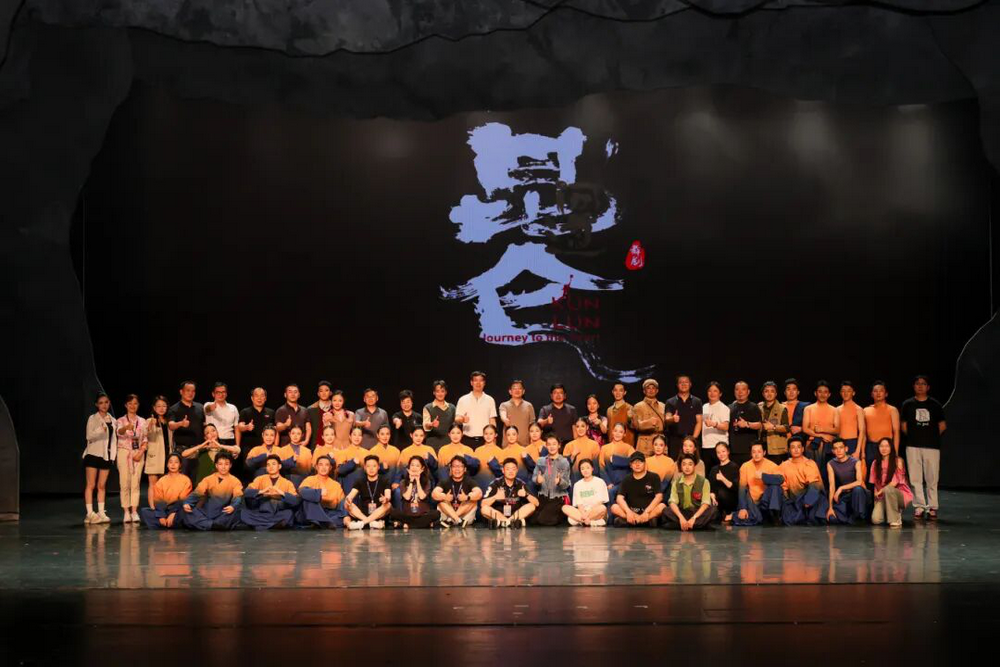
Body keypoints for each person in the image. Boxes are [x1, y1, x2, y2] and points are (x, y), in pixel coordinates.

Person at [901, 375, 946, 520]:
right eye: (917, 384)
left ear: (928, 387)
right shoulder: (907, 404)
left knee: (932, 477)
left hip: (932, 446)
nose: (920, 386)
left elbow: (942, 425)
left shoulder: (935, 405)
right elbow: (904, 425)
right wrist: (915, 436)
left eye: (923, 384)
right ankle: (919, 506)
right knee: (915, 478)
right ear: (914, 386)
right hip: (913, 446)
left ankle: (932, 506)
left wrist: (930, 436)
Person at [181, 451, 244, 531]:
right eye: (220, 464)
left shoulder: (235, 481)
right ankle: (213, 525)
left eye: (226, 464)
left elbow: (237, 497)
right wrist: (187, 503)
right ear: (216, 465)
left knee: (237, 511)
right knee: (185, 510)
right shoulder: (208, 479)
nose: (223, 467)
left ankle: (206, 524)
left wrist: (233, 506)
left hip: (224, 512)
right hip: (207, 512)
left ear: (230, 465)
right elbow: (197, 493)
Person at [83, 392, 117, 524]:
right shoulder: (93, 418)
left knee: (102, 485)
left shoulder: (113, 420)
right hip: (93, 454)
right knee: (91, 485)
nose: (104, 405)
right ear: (97, 405)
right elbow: (89, 436)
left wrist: (113, 455)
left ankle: (101, 512)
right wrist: (100, 430)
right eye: (101, 403)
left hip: (106, 455)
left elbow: (114, 439)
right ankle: (90, 513)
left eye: (106, 402)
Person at [241, 454, 300, 530]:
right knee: (244, 514)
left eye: (273, 464)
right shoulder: (260, 479)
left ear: (279, 466)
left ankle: (261, 525)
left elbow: (295, 500)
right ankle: (273, 525)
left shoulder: (287, 483)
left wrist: (281, 493)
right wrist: (261, 491)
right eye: (268, 465)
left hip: (277, 513)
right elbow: (246, 492)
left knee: (289, 514)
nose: (271, 467)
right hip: (261, 513)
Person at [733, 443, 784, 526]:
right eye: (754, 452)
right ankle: (737, 515)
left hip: (766, 501)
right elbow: (742, 488)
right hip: (753, 502)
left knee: (775, 487)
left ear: (764, 452)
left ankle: (774, 515)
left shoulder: (772, 465)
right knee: (753, 518)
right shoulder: (745, 466)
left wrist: (763, 476)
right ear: (751, 453)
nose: (756, 454)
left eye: (759, 452)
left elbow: (780, 479)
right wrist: (743, 508)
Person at [778, 440, 828, 526]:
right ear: (789, 450)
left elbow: (814, 484)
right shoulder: (784, 465)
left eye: (798, 447)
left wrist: (808, 500)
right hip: (793, 500)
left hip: (809, 497)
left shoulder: (809, 463)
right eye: (793, 447)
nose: (796, 450)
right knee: (789, 520)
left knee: (813, 519)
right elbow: (783, 485)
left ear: (803, 449)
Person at [115, 394, 147, 524]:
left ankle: (134, 511)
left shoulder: (142, 421)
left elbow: (145, 439)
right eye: (130, 403)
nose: (132, 406)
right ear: (126, 405)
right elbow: (119, 432)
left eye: (135, 403)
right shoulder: (120, 420)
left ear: (138, 405)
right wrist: (126, 427)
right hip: (124, 452)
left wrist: (141, 452)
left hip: (137, 453)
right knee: (124, 482)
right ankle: (126, 512)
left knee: (136, 483)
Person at [139, 452, 192, 530]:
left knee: (186, 512)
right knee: (145, 511)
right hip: (165, 510)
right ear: (167, 464)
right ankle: (168, 523)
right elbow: (158, 500)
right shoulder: (161, 481)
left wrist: (173, 513)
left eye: (176, 462)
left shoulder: (186, 480)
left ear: (180, 465)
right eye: (170, 462)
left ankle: (165, 524)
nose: (173, 465)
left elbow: (183, 499)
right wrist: (161, 516)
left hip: (178, 510)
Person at [611, 452, 665, 527]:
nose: (637, 464)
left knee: (662, 506)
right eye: (634, 462)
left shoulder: (654, 477)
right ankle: (640, 521)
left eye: (640, 462)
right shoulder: (626, 479)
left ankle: (634, 521)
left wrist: (646, 512)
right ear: (630, 465)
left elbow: (659, 497)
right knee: (614, 507)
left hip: (649, 512)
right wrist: (628, 512)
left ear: (645, 463)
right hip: (632, 512)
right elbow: (619, 498)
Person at [664, 454, 716, 531]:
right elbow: (672, 502)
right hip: (683, 512)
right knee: (666, 510)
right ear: (681, 467)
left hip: (697, 512)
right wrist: (681, 518)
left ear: (694, 466)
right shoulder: (676, 483)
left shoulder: (704, 481)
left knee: (713, 510)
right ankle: (698, 525)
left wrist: (694, 518)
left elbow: (705, 503)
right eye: (684, 464)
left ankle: (683, 525)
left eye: (690, 464)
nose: (687, 467)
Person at [481, 458, 538, 528]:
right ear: (503, 470)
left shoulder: (521, 484)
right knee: (484, 509)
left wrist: (526, 495)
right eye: (508, 469)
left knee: (531, 506)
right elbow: (483, 504)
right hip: (499, 515)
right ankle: (509, 523)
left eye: (513, 469)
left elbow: (536, 503)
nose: (511, 471)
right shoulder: (495, 483)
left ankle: (505, 523)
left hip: (515, 515)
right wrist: (495, 497)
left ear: (517, 470)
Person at [869, 437, 913, 527]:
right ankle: (890, 511)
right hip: (883, 496)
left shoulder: (898, 461)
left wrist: (880, 492)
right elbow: (875, 484)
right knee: (876, 519)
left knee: (888, 489)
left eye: (887, 446)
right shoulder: (875, 463)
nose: (884, 449)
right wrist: (876, 499)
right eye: (881, 446)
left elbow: (894, 483)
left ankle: (895, 518)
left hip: (899, 494)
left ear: (891, 448)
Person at [432, 456, 483, 528]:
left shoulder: (470, 481)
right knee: (441, 501)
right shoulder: (444, 482)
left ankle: (451, 520)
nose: (457, 469)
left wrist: (467, 497)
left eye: (460, 466)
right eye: (454, 466)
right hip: (449, 515)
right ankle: (458, 520)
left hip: (464, 517)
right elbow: (434, 494)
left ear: (465, 469)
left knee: (472, 501)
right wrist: (445, 497)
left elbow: (479, 493)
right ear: (451, 468)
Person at [235, 387, 274, 481]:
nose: (259, 398)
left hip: (266, 448)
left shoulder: (271, 412)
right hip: (249, 448)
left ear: (265, 398)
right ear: (252, 398)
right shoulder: (245, 412)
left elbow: (275, 430)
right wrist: (246, 427)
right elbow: (239, 426)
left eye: (262, 396)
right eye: (256, 396)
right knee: (249, 474)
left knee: (266, 473)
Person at [297, 455, 347, 529]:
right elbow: (302, 492)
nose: (323, 468)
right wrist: (318, 493)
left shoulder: (336, 485)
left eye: (326, 465)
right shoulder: (309, 479)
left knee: (341, 516)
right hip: (312, 513)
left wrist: (346, 516)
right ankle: (324, 522)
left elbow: (342, 503)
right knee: (308, 499)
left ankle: (321, 522)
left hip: (329, 513)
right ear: (316, 467)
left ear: (330, 468)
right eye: (321, 465)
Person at [863, 381, 901, 478]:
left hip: (886, 447)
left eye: (881, 391)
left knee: (886, 474)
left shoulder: (892, 410)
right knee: (870, 475)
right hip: (870, 447)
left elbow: (896, 432)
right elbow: (863, 434)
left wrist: (895, 452)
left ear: (886, 394)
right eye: (875, 391)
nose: (878, 393)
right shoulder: (866, 410)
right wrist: (862, 451)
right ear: (872, 394)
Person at [167, 381, 205, 477]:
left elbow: (204, 424)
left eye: (193, 391)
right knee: (183, 478)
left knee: (198, 478)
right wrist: (181, 423)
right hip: (182, 450)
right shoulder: (174, 409)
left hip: (199, 449)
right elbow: (171, 425)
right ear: (181, 392)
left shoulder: (200, 407)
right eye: (188, 390)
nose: (190, 393)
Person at [344, 455, 392, 530]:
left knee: (388, 505)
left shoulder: (385, 480)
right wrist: (348, 499)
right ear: (365, 468)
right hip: (363, 512)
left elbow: (388, 496)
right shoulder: (360, 481)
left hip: (379, 512)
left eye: (374, 466)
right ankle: (370, 522)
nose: (371, 469)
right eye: (368, 466)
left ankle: (362, 523)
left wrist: (385, 499)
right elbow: (350, 495)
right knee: (347, 504)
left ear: (378, 467)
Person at [825, 439, 868, 524]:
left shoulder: (856, 462)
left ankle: (859, 517)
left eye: (841, 448)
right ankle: (851, 518)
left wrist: (841, 488)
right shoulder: (831, 463)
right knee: (832, 518)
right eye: (836, 448)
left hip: (859, 495)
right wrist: (830, 507)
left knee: (858, 489)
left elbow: (859, 482)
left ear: (846, 449)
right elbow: (832, 486)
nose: (838, 451)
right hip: (846, 496)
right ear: (833, 451)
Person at [391, 456, 440, 529]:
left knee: (436, 513)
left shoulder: (427, 482)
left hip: (423, 515)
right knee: (394, 513)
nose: (414, 468)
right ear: (408, 468)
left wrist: (417, 481)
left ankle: (407, 525)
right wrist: (411, 481)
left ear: (422, 469)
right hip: (408, 515)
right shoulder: (403, 482)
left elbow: (422, 497)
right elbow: (407, 497)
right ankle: (424, 525)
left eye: (417, 466)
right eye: (412, 465)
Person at [531, 435, 571, 525]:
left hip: (557, 497)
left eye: (554, 444)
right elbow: (534, 477)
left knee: (542, 520)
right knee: (532, 520)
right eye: (549, 444)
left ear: (559, 445)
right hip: (543, 496)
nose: (551, 447)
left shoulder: (564, 462)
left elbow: (566, 484)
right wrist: (537, 480)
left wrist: (560, 482)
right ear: (546, 446)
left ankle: (560, 514)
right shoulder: (541, 461)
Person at [802, 381, 840, 471]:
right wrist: (822, 435)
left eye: (825, 392)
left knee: (828, 473)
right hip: (812, 445)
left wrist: (822, 429)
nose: (822, 394)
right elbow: (805, 429)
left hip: (829, 445)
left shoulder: (834, 410)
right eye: (820, 391)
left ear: (829, 394)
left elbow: (837, 430)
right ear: (815, 393)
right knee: (811, 471)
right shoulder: (808, 409)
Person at [455, 371, 498, 448]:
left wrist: (494, 439)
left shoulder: (490, 400)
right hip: (467, 439)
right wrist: (462, 419)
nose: (478, 383)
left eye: (481, 380)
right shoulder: (463, 399)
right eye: (475, 380)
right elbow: (456, 419)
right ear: (471, 383)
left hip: (485, 440)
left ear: (484, 383)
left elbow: (492, 421)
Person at [665, 375, 703, 460]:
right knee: (675, 463)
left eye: (686, 382)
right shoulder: (670, 402)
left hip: (691, 439)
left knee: (692, 463)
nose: (683, 384)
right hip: (675, 440)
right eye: (681, 382)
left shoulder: (697, 401)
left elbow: (699, 422)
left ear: (690, 384)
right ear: (677, 385)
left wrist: (693, 439)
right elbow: (667, 419)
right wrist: (672, 419)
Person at [563, 459, 609, 526]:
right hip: (582, 512)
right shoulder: (577, 485)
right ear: (580, 471)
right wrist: (583, 514)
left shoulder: (600, 482)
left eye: (588, 468)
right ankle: (589, 522)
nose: (585, 470)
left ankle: (581, 521)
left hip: (595, 510)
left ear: (592, 468)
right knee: (564, 507)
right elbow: (579, 505)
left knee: (602, 508)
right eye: (582, 469)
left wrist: (587, 514)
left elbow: (600, 502)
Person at [728, 381, 762, 467]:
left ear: (748, 392)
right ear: (734, 392)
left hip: (748, 450)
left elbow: (759, 425)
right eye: (737, 390)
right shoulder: (729, 408)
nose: (740, 392)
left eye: (743, 389)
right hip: (733, 450)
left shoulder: (753, 407)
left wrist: (747, 424)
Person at [630, 378, 667, 457]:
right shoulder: (638, 406)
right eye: (648, 388)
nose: (651, 390)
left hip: (660, 441)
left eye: (653, 388)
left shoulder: (663, 406)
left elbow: (666, 424)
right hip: (645, 443)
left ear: (657, 391)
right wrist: (648, 423)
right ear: (644, 391)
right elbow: (636, 426)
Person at [144, 395, 171, 503]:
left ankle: (163, 505)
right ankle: (152, 506)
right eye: (158, 406)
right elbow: (146, 434)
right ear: (154, 408)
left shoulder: (169, 421)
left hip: (167, 455)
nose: (161, 408)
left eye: (164, 406)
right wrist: (151, 425)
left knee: (164, 483)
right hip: (155, 456)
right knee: (153, 483)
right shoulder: (150, 420)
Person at [757, 381, 789, 464]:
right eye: (766, 391)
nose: (769, 393)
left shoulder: (782, 408)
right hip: (762, 446)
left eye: (772, 391)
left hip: (776, 448)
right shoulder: (759, 407)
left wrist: (773, 427)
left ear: (776, 394)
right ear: (763, 394)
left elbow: (787, 428)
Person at [204, 382, 239, 458]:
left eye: (223, 392)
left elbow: (236, 428)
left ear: (226, 394)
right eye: (218, 392)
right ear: (213, 394)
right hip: (214, 441)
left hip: (230, 441)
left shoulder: (233, 408)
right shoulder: (208, 404)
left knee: (228, 464)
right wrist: (212, 407)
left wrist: (237, 446)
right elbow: (207, 409)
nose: (221, 394)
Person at [499, 379, 536, 446]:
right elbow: (502, 414)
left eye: (519, 388)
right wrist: (505, 419)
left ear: (523, 391)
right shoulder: (504, 405)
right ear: (510, 391)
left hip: (525, 444)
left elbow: (532, 425)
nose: (517, 390)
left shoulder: (529, 406)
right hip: (508, 445)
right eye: (514, 388)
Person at [708, 442, 739, 523]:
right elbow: (711, 488)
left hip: (730, 499)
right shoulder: (714, 469)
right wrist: (712, 496)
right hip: (717, 499)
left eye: (723, 451)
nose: (721, 454)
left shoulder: (734, 467)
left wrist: (723, 479)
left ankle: (728, 514)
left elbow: (735, 487)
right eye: (718, 452)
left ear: (728, 452)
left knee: (722, 492)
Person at [422, 380, 456, 451]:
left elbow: (455, 426)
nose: (440, 394)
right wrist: (431, 424)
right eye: (437, 391)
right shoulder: (428, 407)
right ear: (434, 392)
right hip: (433, 444)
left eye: (442, 391)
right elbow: (425, 425)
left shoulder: (452, 407)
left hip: (449, 444)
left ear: (446, 392)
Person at [701, 381, 730, 465]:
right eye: (710, 391)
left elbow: (726, 427)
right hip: (706, 446)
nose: (712, 393)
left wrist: (714, 424)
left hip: (719, 447)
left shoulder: (724, 408)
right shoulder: (704, 407)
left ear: (720, 394)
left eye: (715, 391)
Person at [836, 381, 866, 458]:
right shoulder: (837, 409)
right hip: (839, 442)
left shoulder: (858, 409)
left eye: (849, 391)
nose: (846, 393)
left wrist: (858, 451)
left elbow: (862, 431)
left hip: (853, 443)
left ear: (853, 393)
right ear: (840, 393)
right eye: (843, 391)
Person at [472, 424, 505, 489]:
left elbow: (502, 473)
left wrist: (494, 464)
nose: (488, 436)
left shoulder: (500, 451)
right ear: (483, 435)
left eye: (491, 434)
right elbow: (473, 469)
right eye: (486, 433)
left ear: (496, 435)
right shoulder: (478, 450)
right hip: (478, 483)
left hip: (493, 484)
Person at [306, 381, 336, 448]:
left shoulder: (336, 408)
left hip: (334, 446)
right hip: (316, 446)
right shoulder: (311, 409)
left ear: (330, 393)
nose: (324, 393)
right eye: (321, 391)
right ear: (318, 393)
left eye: (326, 390)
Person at [782, 378, 808, 445]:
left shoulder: (805, 406)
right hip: (781, 441)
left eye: (794, 389)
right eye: (788, 389)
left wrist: (801, 429)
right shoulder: (779, 406)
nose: (791, 392)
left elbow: (813, 424)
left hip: (799, 442)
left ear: (798, 392)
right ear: (784, 392)